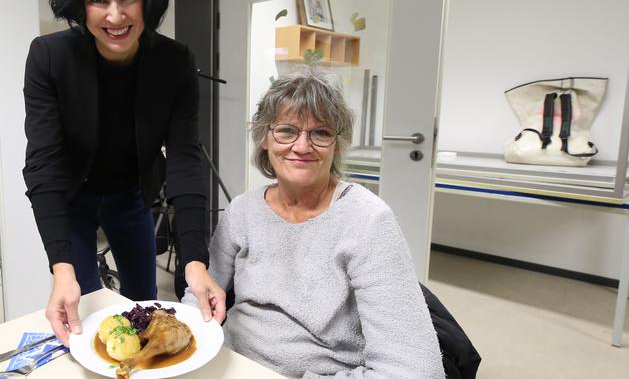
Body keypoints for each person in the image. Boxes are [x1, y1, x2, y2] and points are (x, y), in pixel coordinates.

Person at [182, 68, 443, 377]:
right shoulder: (242, 211)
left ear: (338, 144)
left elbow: (416, 370)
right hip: (230, 363)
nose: (302, 146)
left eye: (320, 133)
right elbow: (198, 300)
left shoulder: (368, 222)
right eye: (287, 130)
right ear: (265, 138)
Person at [22, 0, 225, 347]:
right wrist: (60, 268)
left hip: (131, 194)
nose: (115, 17)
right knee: (86, 309)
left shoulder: (174, 62)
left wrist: (195, 263)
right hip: (73, 199)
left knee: (143, 306)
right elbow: (43, 164)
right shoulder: (50, 57)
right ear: (81, 3)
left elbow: (184, 160)